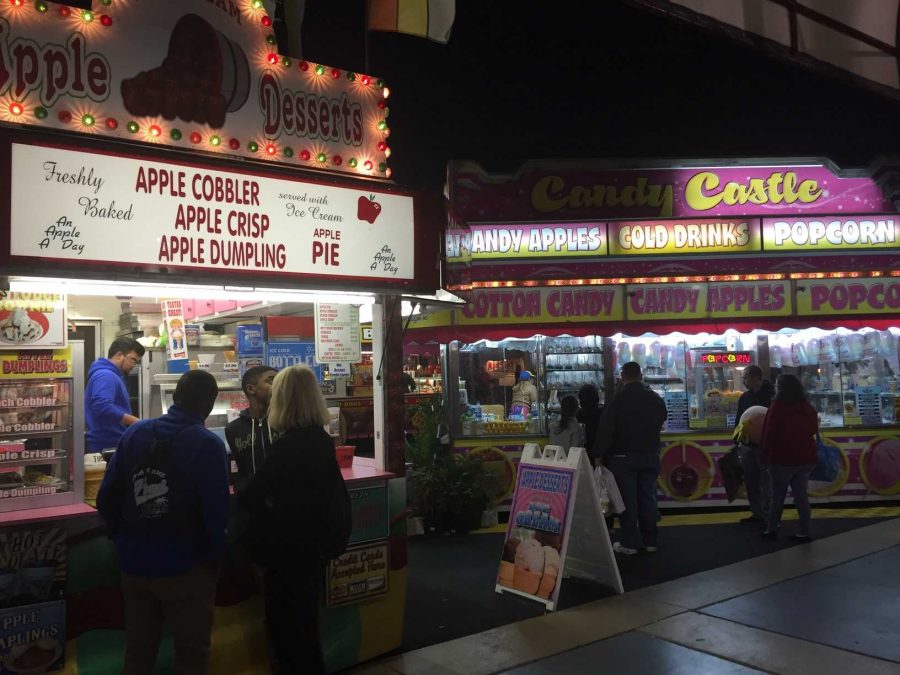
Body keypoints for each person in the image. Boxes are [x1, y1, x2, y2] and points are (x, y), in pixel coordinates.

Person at [96, 369, 229, 675]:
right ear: (209, 404)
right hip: (186, 567)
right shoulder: (207, 444)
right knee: (191, 654)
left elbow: (107, 496)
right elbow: (216, 512)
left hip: (133, 563)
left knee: (139, 651)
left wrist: (121, 538)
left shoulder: (135, 433)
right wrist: (215, 562)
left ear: (175, 397)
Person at [236, 366, 351, 674]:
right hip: (314, 548)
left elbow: (251, 494)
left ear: (284, 400)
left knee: (287, 632)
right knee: (306, 627)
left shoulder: (288, 445)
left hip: (288, 553)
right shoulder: (320, 440)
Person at [594, 361, 668, 555]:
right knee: (648, 498)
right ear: (641, 375)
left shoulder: (617, 400)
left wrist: (599, 453)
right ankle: (650, 541)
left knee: (627, 502)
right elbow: (662, 417)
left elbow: (606, 429)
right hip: (650, 454)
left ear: (622, 376)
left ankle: (629, 543)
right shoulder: (654, 398)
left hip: (623, 457)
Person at [760, 373, 818, 541]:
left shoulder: (777, 406)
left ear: (781, 388)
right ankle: (804, 531)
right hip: (806, 458)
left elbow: (769, 433)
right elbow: (814, 429)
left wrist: (763, 457)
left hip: (782, 458)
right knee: (801, 497)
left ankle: (771, 529)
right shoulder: (807, 406)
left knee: (778, 496)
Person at [85, 337, 145, 453]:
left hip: (109, 442)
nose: (134, 365)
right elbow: (102, 406)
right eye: (132, 360)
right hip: (105, 445)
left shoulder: (111, 375)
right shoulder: (106, 375)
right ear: (119, 355)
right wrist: (138, 423)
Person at [224, 365, 279, 487]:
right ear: (251, 389)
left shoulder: (286, 421)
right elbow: (240, 469)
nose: (278, 385)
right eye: (271, 380)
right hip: (251, 502)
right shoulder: (233, 429)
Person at [735, 365, 775, 524]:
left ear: (756, 377)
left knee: (766, 481)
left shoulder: (772, 396)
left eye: (746, 377)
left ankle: (767, 514)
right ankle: (756, 512)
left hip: (765, 446)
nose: (744, 381)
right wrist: (737, 441)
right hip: (747, 445)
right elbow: (740, 420)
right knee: (751, 481)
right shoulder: (744, 397)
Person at [576, 383, 603, 465]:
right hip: (601, 453)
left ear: (580, 400)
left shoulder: (578, 415)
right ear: (597, 398)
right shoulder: (602, 413)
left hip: (583, 454)